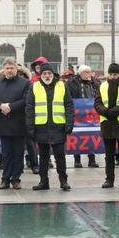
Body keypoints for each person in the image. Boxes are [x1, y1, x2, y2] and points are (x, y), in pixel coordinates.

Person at [26, 63, 74, 191]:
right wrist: (30, 127)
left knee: (60, 156)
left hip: (58, 126)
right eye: (44, 74)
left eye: (49, 73)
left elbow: (69, 105)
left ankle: (63, 181)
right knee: (43, 156)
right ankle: (43, 181)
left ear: (53, 74)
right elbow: (29, 108)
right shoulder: (34, 86)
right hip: (41, 127)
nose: (47, 76)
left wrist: (69, 123)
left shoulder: (62, 86)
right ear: (40, 75)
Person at [0, 57, 30, 190]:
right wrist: (1, 106)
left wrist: (10, 107)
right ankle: (5, 179)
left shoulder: (24, 83)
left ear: (16, 69)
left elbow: (26, 100)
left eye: (12, 68)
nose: (9, 70)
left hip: (18, 123)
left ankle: (16, 179)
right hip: (3, 122)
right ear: (4, 69)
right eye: (7, 68)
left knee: (18, 153)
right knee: (5, 153)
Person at [66, 64, 100, 168]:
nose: (89, 74)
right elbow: (68, 96)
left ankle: (92, 159)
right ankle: (77, 160)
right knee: (78, 135)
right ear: (80, 73)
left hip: (91, 114)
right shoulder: (72, 83)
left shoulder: (94, 83)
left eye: (90, 72)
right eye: (86, 72)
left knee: (91, 135)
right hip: (77, 113)